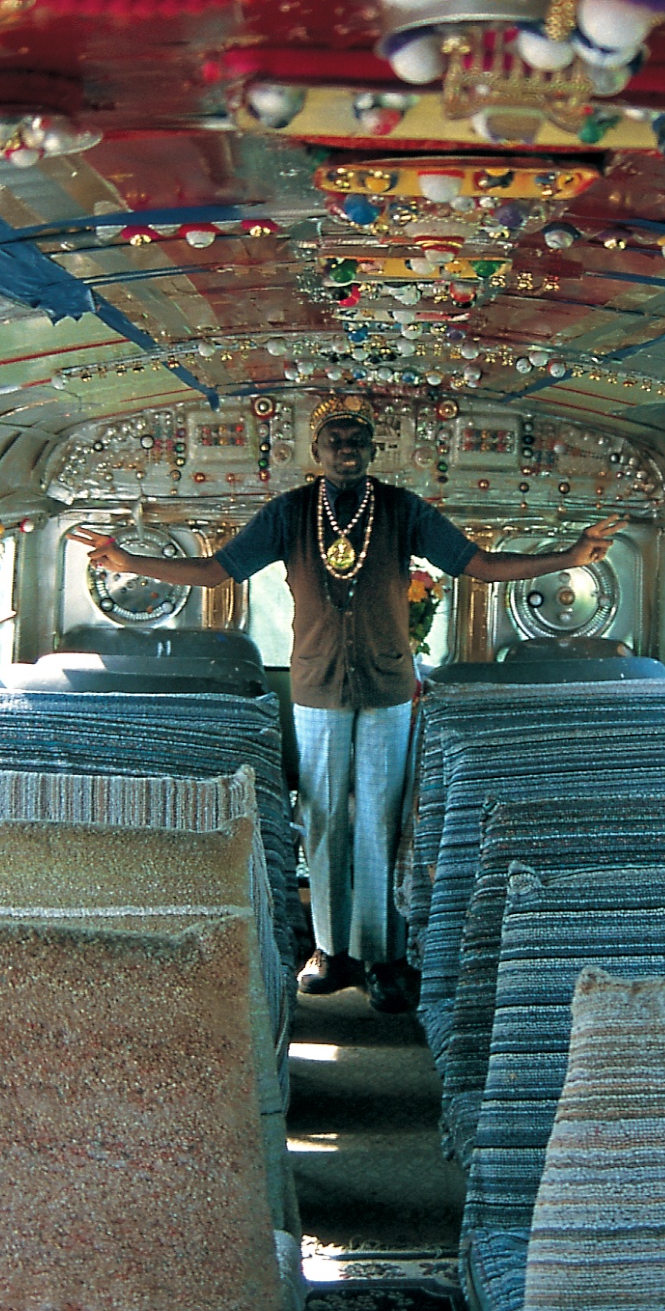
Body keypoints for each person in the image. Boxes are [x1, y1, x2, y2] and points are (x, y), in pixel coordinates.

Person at [72, 396, 621, 1012]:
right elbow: (214, 573)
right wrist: (126, 561)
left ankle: (383, 955)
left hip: (388, 685)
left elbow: (482, 566)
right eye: (335, 436)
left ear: (373, 448)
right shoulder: (288, 514)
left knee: (382, 821)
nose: (347, 446)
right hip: (317, 685)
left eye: (358, 436)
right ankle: (332, 950)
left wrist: (569, 558)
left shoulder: (401, 510)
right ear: (317, 448)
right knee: (327, 816)